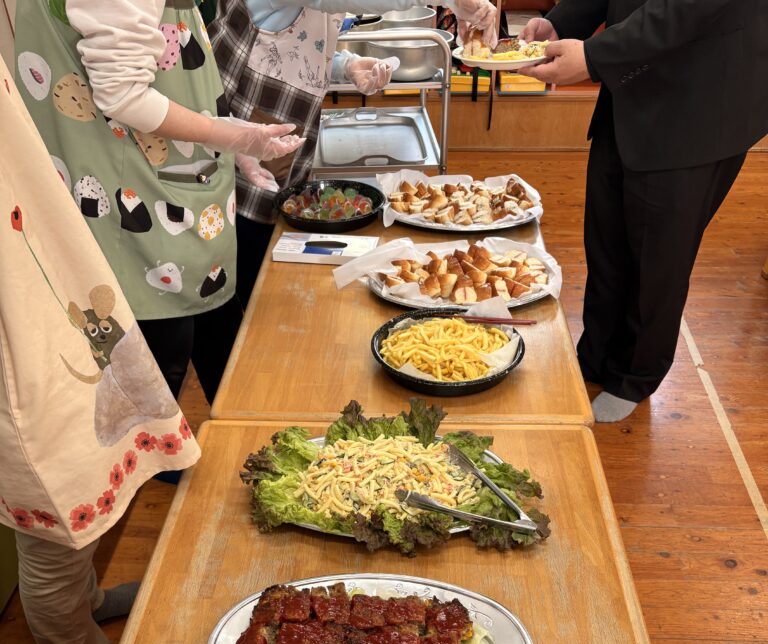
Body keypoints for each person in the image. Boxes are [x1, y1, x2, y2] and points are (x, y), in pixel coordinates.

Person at [1, 55, 202, 644]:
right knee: (52, 511)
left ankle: (87, 601)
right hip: (14, 322)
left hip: (35, 249)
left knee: (89, 462)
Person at [14, 0, 304, 403]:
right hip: (131, 202)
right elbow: (123, 95)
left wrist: (234, 144)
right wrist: (228, 136)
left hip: (176, 188)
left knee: (225, 354)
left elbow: (164, 75)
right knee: (155, 389)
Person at [522, 0, 768, 421]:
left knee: (658, 260)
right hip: (629, 87)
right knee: (606, 241)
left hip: (697, 100)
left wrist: (593, 56)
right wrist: (560, 22)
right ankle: (596, 356)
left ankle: (636, 375)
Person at [208, 0, 499, 306]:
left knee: (258, 280)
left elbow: (292, 43)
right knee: (230, 293)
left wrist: (344, 65)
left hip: (271, 159)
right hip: (226, 161)